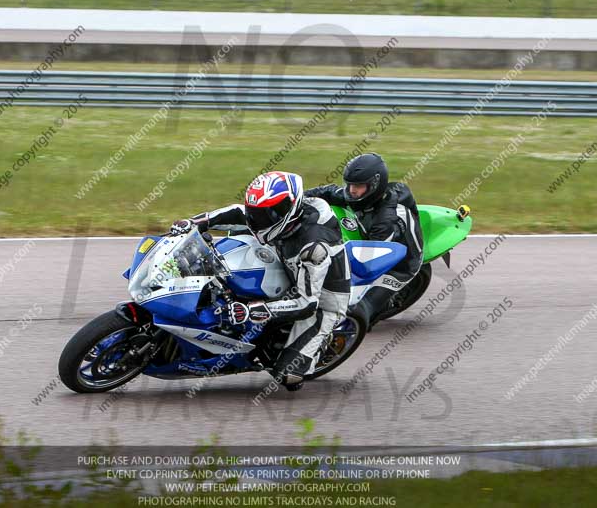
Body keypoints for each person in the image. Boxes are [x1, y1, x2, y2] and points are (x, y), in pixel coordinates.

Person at [171, 171, 351, 391]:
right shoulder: (279, 218)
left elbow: (307, 303)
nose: (257, 219)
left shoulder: (314, 247)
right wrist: (195, 222)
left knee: (287, 376)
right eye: (256, 212)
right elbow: (239, 213)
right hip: (286, 260)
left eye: (266, 214)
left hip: (322, 298)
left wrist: (251, 311)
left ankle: (314, 350)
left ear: (288, 209)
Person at [305, 153, 423, 329]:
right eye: (350, 184)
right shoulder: (357, 195)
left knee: (361, 310)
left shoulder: (386, 219)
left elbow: (371, 261)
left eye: (358, 186)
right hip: (370, 238)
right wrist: (296, 199)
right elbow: (326, 193)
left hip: (400, 264)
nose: (352, 190)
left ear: (375, 185)